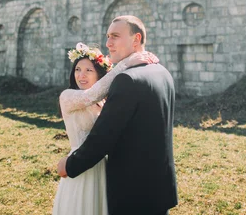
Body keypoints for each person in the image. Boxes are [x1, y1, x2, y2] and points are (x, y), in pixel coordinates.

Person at [57, 15, 178, 215]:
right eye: (107, 36)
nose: (108, 43)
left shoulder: (126, 80)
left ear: (136, 39)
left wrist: (70, 165)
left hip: (132, 190)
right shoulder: (162, 72)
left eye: (115, 36)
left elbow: (103, 136)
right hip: (159, 187)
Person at [52, 42, 158, 215]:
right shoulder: (68, 97)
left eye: (88, 70)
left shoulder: (104, 102)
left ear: (99, 75)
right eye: (78, 69)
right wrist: (125, 64)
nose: (81, 75)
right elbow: (92, 94)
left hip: (102, 165)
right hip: (79, 164)